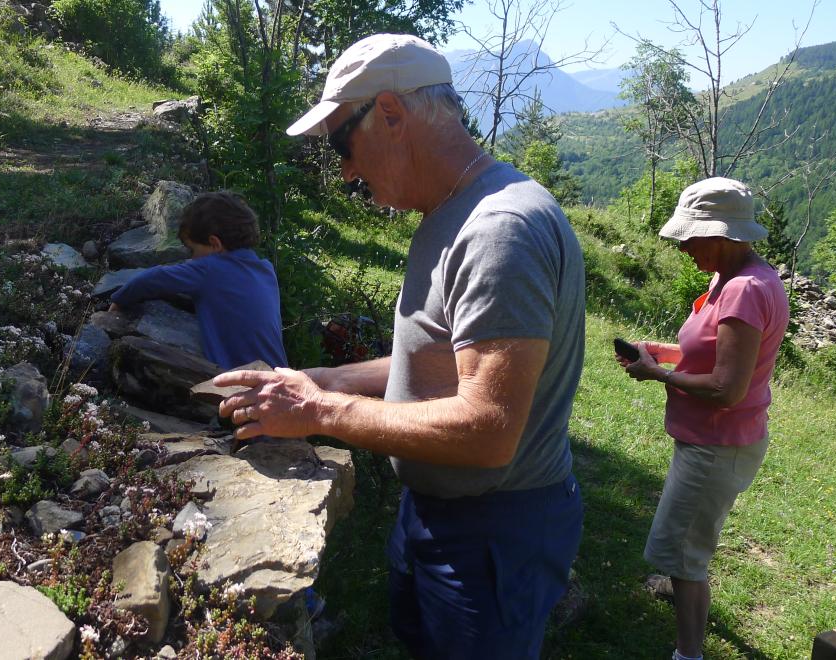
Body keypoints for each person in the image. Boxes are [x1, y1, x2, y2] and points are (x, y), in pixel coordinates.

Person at [213, 33, 586, 658]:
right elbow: (440, 360)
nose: (347, 171)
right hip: (439, 512)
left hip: (493, 531)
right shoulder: (452, 210)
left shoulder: (499, 230)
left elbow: (490, 428)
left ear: (390, 112)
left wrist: (319, 412)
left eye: (342, 144)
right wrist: (328, 378)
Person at [616, 177, 789, 660]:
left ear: (723, 234)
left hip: (717, 444)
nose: (686, 247)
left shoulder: (745, 292)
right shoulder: (734, 279)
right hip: (714, 441)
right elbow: (719, 356)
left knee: (686, 553)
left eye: (692, 237)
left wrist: (659, 376)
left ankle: (687, 653)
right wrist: (662, 353)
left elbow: (726, 388)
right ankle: (678, 582)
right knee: (684, 539)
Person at [109, 190, 287, 370]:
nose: (191, 259)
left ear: (215, 244)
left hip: (243, 385)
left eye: (192, 250)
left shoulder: (208, 269)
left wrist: (118, 300)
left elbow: (152, 278)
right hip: (280, 378)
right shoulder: (266, 269)